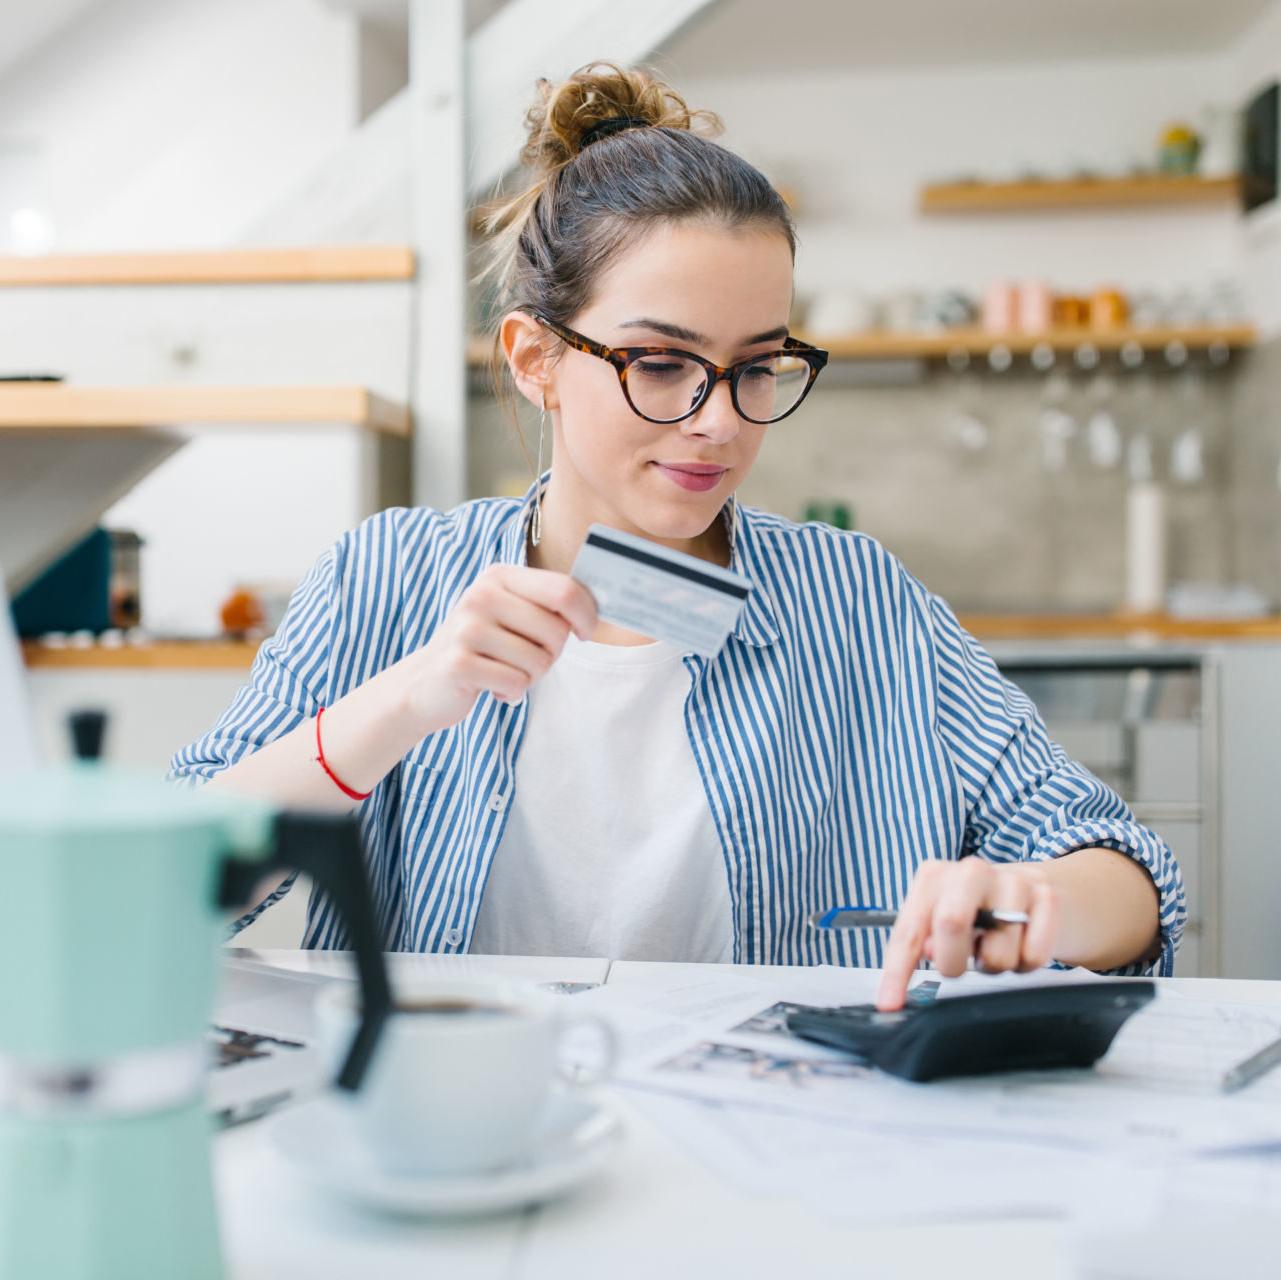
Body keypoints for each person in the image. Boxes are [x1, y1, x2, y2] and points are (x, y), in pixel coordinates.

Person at [170, 63, 1184, 1010]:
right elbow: (156, 891)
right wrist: (404, 700)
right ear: (535, 358)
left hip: (774, 1156)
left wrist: (1036, 900)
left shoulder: (858, 599)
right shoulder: (384, 578)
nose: (720, 421)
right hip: (463, 1140)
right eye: (661, 363)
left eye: (757, 367)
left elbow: (1123, 868)